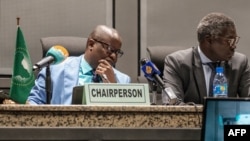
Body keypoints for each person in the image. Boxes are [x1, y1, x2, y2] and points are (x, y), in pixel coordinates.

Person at [27, 25, 131, 105]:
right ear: (91, 44)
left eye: (117, 52)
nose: (113, 56)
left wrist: (113, 88)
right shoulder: (54, 71)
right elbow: (33, 104)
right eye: (110, 49)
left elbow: (128, 120)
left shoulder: (123, 81)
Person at [162, 12, 250, 104]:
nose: (234, 46)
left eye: (235, 40)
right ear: (209, 40)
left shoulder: (239, 63)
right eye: (229, 41)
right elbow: (172, 105)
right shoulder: (177, 62)